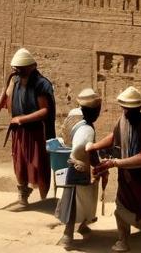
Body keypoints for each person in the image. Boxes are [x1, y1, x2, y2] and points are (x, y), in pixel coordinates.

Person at [90, 86, 141, 252]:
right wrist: (94, 146)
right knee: (121, 208)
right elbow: (114, 137)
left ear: (139, 108)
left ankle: (139, 227)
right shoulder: (122, 120)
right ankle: (123, 240)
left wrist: (117, 163)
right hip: (126, 176)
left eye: (131, 110)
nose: (127, 112)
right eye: (125, 109)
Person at [0, 48, 55, 206]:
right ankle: (23, 197)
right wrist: (4, 89)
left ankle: (44, 200)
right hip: (19, 132)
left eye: (21, 68)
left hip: (37, 132)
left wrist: (21, 119)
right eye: (16, 69)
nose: (17, 71)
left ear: (32, 66)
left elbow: (44, 111)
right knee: (19, 163)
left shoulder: (41, 84)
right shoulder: (15, 83)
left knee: (38, 165)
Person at [56, 89, 103, 248]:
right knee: (74, 201)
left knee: (84, 199)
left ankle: (82, 225)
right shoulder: (87, 130)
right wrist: (97, 165)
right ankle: (67, 235)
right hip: (78, 167)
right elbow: (85, 149)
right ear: (95, 111)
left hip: (75, 163)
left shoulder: (76, 116)